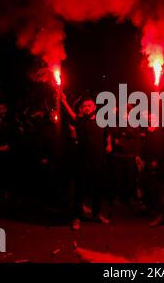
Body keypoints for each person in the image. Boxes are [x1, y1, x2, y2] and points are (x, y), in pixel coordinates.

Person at [61, 93, 111, 230]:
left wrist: (108, 144)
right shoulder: (81, 121)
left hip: (99, 159)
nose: (86, 108)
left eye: (89, 105)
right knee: (80, 190)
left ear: (94, 106)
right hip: (83, 160)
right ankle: (76, 217)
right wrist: (64, 102)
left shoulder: (102, 120)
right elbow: (72, 114)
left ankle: (96, 213)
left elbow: (107, 134)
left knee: (98, 189)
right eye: (84, 106)